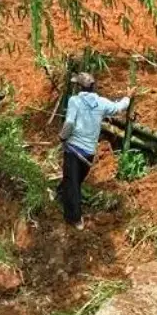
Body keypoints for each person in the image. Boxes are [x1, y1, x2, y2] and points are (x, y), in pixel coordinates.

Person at [58, 73, 130, 230]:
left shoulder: (74, 101)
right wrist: (128, 98)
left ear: (78, 87)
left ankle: (75, 219)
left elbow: (69, 122)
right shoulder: (101, 103)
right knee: (73, 180)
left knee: (73, 183)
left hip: (74, 150)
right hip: (89, 153)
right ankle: (60, 195)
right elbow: (118, 108)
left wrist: (63, 137)